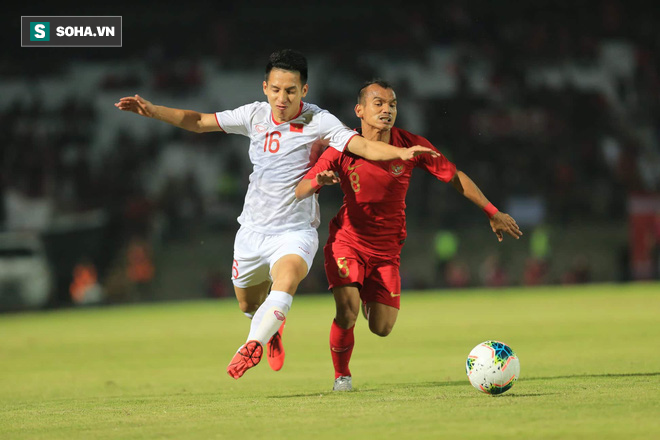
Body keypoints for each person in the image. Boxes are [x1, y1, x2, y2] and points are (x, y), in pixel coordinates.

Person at [114, 50, 437, 380]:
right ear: (265, 87)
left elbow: (363, 146)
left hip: (295, 230)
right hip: (253, 230)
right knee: (246, 304)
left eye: (291, 91)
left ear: (304, 91)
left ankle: (253, 344)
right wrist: (153, 111)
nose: (283, 98)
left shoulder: (319, 121)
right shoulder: (253, 116)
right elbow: (198, 122)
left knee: (285, 283)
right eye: (277, 90)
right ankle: (271, 329)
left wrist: (401, 152)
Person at [295, 79, 522, 391]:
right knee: (346, 311)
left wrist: (492, 211)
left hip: (387, 249)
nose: (387, 110)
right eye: (379, 103)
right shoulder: (341, 147)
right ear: (359, 110)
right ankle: (342, 377)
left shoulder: (410, 145)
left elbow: (454, 177)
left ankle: (366, 291)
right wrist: (318, 180)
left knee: (382, 328)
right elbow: (301, 188)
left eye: (392, 104)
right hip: (348, 240)